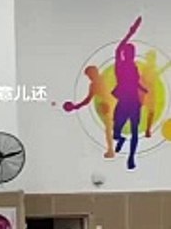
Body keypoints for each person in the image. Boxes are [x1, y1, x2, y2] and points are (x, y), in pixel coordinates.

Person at [112, 17, 147, 171]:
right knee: (115, 132)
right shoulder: (120, 65)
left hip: (134, 101)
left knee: (135, 131)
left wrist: (142, 89)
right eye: (128, 52)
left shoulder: (134, 67)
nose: (131, 55)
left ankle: (131, 157)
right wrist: (131, 32)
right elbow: (117, 49)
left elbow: (134, 82)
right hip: (124, 101)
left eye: (132, 53)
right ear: (125, 53)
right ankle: (120, 139)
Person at [63, 66, 116, 158]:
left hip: (113, 104)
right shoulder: (94, 85)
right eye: (88, 76)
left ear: (95, 72)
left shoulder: (104, 79)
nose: (90, 77)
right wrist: (75, 106)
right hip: (109, 107)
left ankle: (112, 149)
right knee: (109, 129)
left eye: (90, 75)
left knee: (111, 128)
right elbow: (87, 100)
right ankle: (111, 149)